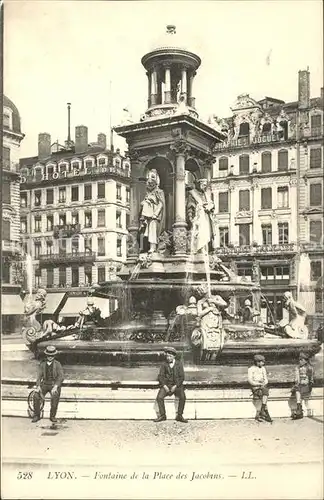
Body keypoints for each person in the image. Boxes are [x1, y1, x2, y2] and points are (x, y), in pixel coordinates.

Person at [154, 347, 188, 423]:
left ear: (174, 356)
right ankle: (163, 415)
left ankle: (179, 415)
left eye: (170, 356)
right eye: (167, 356)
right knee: (159, 397)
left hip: (177, 386)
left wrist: (176, 386)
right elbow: (160, 376)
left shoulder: (179, 364)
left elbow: (182, 377)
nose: (168, 358)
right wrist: (164, 386)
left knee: (183, 397)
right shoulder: (164, 364)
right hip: (167, 385)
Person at [32, 345, 64, 423]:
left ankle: (52, 416)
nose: (50, 357)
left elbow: (61, 377)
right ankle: (37, 415)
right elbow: (39, 376)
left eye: (52, 355)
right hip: (44, 384)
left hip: (54, 385)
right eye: (49, 355)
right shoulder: (42, 364)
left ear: (54, 355)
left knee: (55, 397)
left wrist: (56, 386)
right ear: (46, 355)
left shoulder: (58, 364)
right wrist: (38, 386)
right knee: (36, 396)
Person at [138, 169, 165, 254]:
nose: (150, 180)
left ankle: (153, 247)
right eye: (149, 178)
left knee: (153, 230)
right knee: (148, 231)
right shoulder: (148, 193)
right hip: (148, 215)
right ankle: (150, 247)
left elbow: (161, 203)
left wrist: (155, 214)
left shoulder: (160, 192)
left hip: (154, 216)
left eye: (153, 177)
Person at [186, 179, 217, 253]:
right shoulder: (193, 193)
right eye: (203, 185)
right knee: (199, 234)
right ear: (198, 184)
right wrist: (190, 217)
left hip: (206, 217)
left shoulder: (206, 194)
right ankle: (200, 249)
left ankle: (205, 249)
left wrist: (210, 206)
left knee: (206, 234)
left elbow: (212, 204)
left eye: (205, 185)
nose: (204, 187)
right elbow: (190, 206)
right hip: (198, 217)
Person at [248, 354, 272, 422]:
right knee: (264, 393)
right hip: (255, 387)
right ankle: (266, 414)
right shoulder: (251, 369)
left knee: (264, 393)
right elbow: (250, 381)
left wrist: (264, 383)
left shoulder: (263, 368)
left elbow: (266, 379)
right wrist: (259, 384)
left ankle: (263, 412)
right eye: (262, 362)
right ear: (257, 362)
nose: (263, 363)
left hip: (262, 386)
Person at [290, 352, 315, 420]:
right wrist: (297, 383)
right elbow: (297, 378)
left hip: (307, 386)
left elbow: (311, 379)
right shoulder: (297, 368)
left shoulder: (310, 368)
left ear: (306, 361)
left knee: (298, 391)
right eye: (299, 360)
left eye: (302, 360)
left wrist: (307, 383)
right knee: (297, 390)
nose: (300, 361)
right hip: (300, 385)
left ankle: (299, 410)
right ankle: (299, 409)